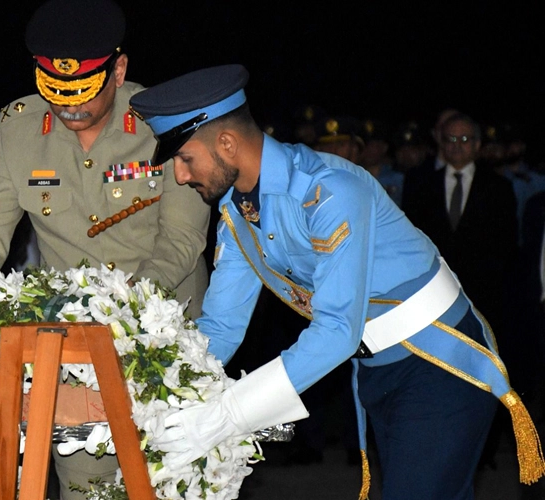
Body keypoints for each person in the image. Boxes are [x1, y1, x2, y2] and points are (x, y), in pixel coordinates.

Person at [129, 64, 544, 500]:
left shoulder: (328, 191)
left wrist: (227, 415)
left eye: (184, 157)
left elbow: (335, 332)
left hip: (438, 360)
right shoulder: (237, 213)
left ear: (227, 143)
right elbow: (220, 327)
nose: (179, 175)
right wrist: (151, 394)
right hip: (376, 370)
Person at [0, 1, 211, 498]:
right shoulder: (18, 127)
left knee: (170, 481)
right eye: (57, 94)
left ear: (118, 70)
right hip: (73, 349)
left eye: (83, 94)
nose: (69, 107)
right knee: (86, 483)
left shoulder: (164, 123)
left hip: (168, 335)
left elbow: (181, 239)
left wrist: (128, 314)